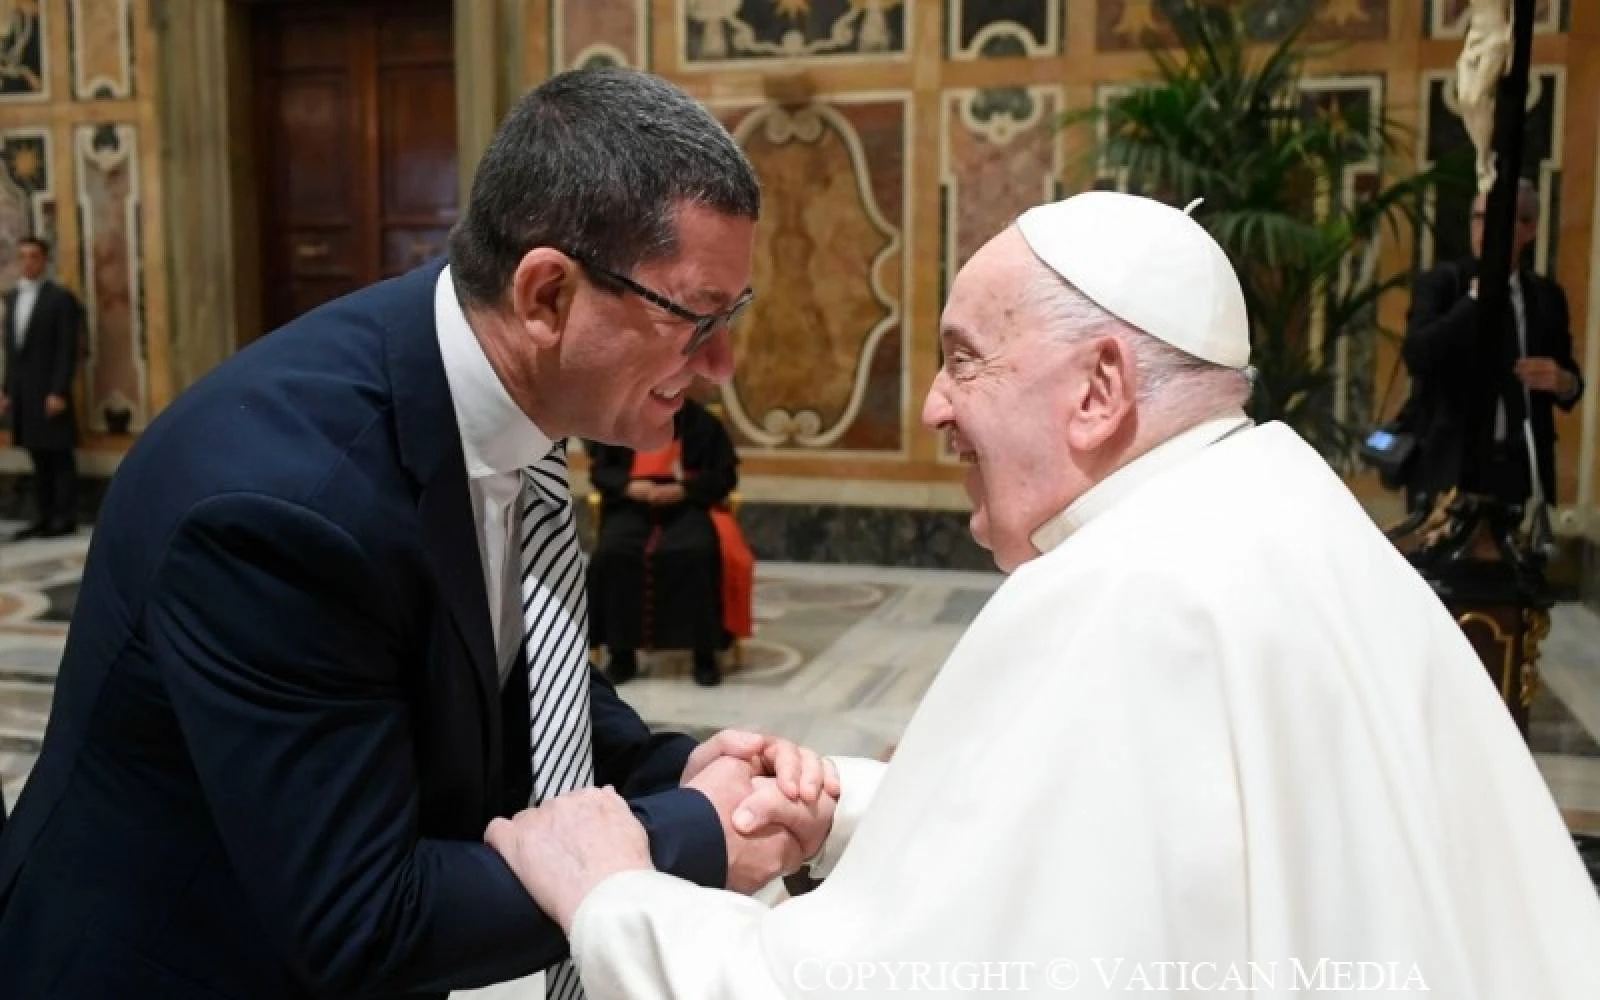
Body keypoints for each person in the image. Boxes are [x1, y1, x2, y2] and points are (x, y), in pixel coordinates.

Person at [484, 191, 1600, 999]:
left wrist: (617, 899)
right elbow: (1146, 835)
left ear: (1099, 389)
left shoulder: (1119, 591)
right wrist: (853, 814)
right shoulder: (1275, 501)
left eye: (964, 358)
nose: (931, 406)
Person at [0, 67, 838, 1000]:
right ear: (548, 295)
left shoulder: (499, 395)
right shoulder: (282, 512)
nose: (723, 364)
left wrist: (674, 763)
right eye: (697, 318)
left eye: (736, 313)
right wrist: (691, 837)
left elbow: (504, 668)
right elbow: (362, 918)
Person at [1401, 178, 1583, 513]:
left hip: (1520, 472)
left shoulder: (1546, 297)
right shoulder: (1443, 284)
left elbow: (1571, 378)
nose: (1484, 228)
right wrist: (1473, 301)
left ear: (1528, 229)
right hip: (1448, 469)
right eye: (1478, 217)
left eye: (1497, 218)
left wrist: (1564, 382)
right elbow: (1417, 355)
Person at [587, 396, 748, 688]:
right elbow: (600, 471)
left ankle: (704, 655)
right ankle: (621, 655)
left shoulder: (704, 424)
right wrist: (628, 486)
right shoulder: (620, 419)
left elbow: (724, 475)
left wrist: (684, 489)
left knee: (698, 553)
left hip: (688, 505)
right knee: (613, 553)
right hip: (632, 506)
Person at [1, 236, 83, 539]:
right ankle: (43, 516)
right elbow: (12, 350)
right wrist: (7, 390)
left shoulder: (60, 299)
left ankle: (65, 517)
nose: (27, 262)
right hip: (25, 390)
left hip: (50, 389)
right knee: (37, 455)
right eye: (22, 256)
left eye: (33, 256)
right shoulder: (12, 298)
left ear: (44, 259)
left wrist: (59, 390)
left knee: (59, 455)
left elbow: (67, 348)